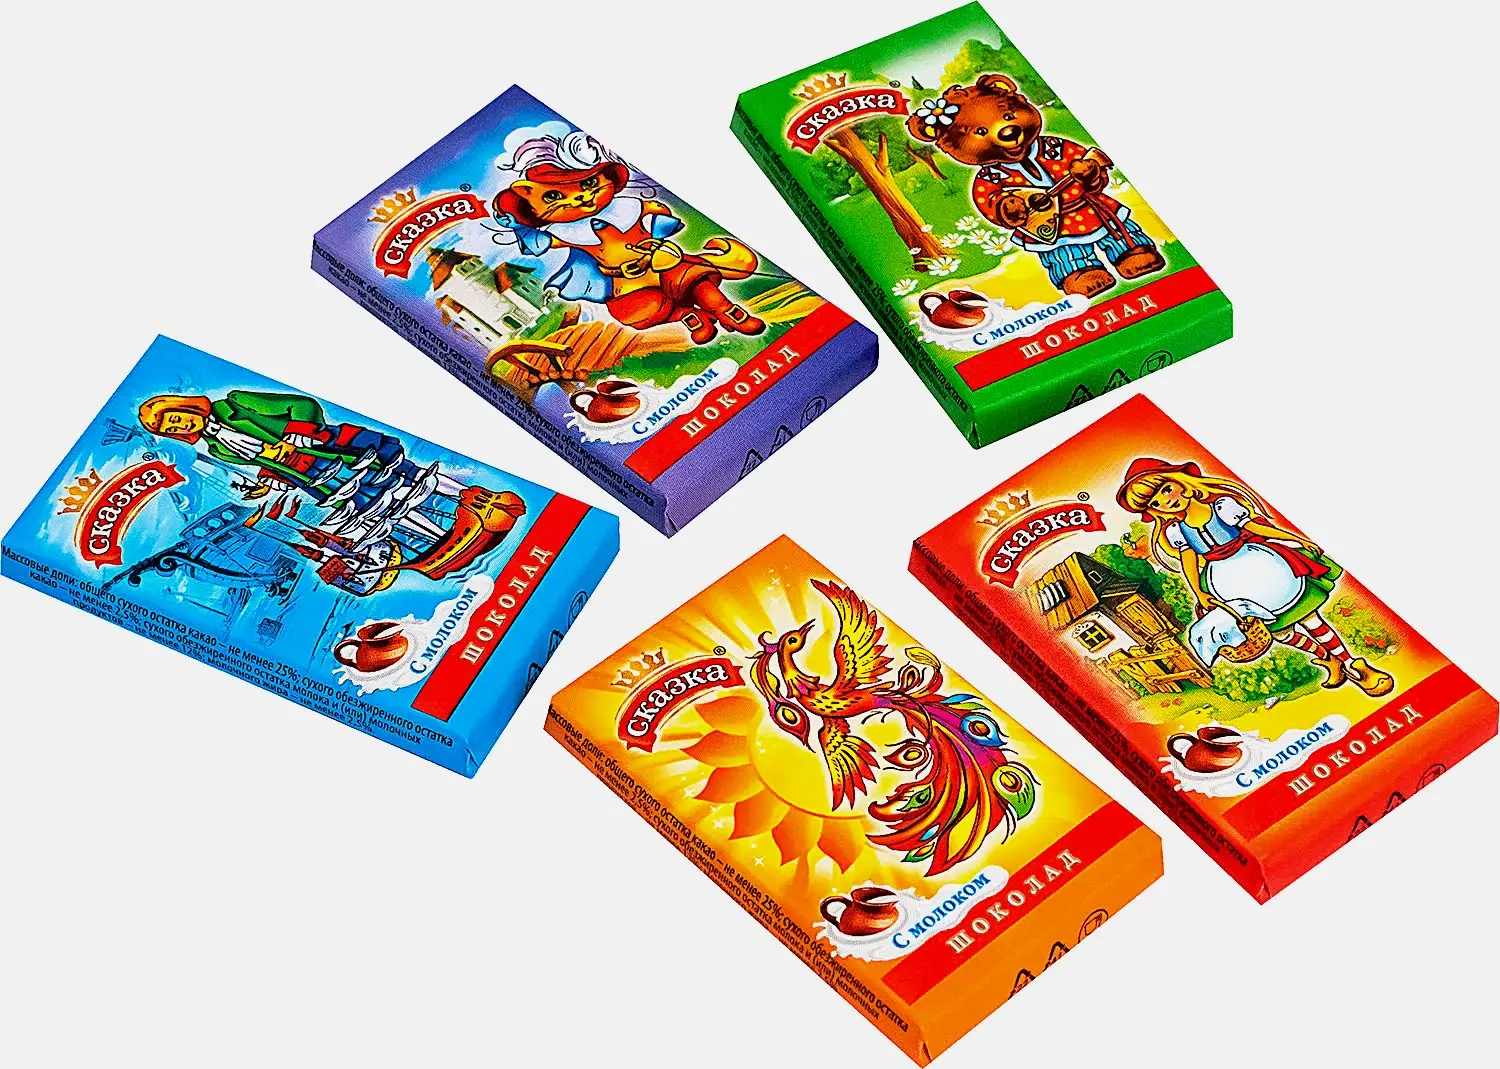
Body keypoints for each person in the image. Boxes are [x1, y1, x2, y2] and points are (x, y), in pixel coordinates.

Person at [1116, 458, 1393, 697]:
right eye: (1156, 502)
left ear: (1181, 482)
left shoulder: (1221, 506)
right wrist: (1199, 593)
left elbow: (1256, 527)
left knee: (1309, 618)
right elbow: (1188, 561)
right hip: (1225, 581)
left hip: (1261, 565)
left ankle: (1354, 664)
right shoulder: (1176, 530)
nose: (1167, 500)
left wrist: (1296, 539)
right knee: (1278, 631)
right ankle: (1328, 659)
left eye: (1166, 489)